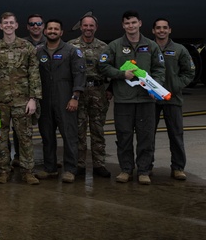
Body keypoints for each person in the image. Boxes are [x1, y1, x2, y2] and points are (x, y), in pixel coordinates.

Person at [100, 10, 165, 184]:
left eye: (134, 23)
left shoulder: (151, 45)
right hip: (124, 99)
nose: (131, 26)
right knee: (124, 136)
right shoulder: (114, 46)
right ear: (123, 25)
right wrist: (121, 74)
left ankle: (144, 170)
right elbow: (103, 66)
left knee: (146, 137)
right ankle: (126, 169)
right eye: (127, 23)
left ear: (140, 23)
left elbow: (159, 69)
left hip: (146, 99)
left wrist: (155, 87)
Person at [0, 12, 42, 185]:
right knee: (0, 137)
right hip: (1, 101)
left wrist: (33, 98)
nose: (9, 25)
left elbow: (34, 74)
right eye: (6, 23)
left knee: (25, 137)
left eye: (12, 22)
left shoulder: (27, 47)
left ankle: (28, 171)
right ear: (1, 26)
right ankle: (3, 170)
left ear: (16, 25)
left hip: (23, 101)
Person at [35, 19, 85, 183]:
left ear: (61, 32)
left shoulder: (72, 51)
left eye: (56, 29)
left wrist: (75, 97)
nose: (52, 31)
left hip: (65, 98)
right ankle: (50, 168)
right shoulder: (39, 52)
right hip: (45, 99)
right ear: (45, 31)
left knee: (69, 135)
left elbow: (79, 75)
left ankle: (70, 169)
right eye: (50, 29)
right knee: (47, 135)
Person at [152, 18, 196, 180]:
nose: (161, 31)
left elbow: (189, 71)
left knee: (176, 135)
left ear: (170, 30)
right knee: (148, 135)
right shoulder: (148, 48)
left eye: (164, 28)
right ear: (153, 31)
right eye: (158, 28)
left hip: (173, 98)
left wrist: (176, 85)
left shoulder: (179, 49)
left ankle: (177, 168)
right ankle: (146, 166)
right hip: (152, 99)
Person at [69, 14, 111, 178]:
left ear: (96, 28)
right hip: (78, 92)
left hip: (97, 91)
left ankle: (99, 164)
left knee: (97, 129)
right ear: (80, 27)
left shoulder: (103, 47)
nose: (88, 28)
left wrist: (110, 89)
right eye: (85, 26)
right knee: (78, 130)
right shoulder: (71, 46)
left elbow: (111, 69)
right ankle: (79, 164)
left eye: (91, 26)